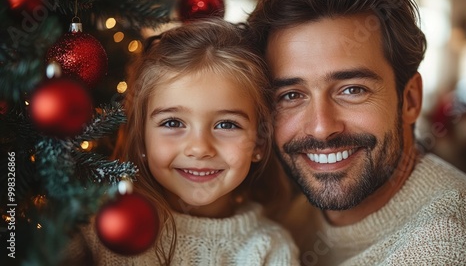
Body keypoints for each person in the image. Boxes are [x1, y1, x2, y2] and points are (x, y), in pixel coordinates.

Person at [246, 0, 466, 265]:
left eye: (352, 90)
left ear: (410, 100)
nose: (321, 128)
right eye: (291, 96)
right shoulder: (284, 224)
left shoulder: (455, 242)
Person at [67, 18, 299, 265]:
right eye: (173, 123)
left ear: (259, 143)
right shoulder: (95, 226)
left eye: (227, 125)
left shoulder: (270, 250)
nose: (199, 148)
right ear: (142, 138)